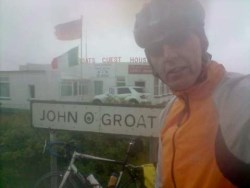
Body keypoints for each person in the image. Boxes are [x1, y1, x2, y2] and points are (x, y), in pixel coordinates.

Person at [133, 0, 250, 187]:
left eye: (178, 40)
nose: (169, 56)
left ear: (202, 42)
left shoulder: (240, 100)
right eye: (156, 50)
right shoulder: (168, 113)